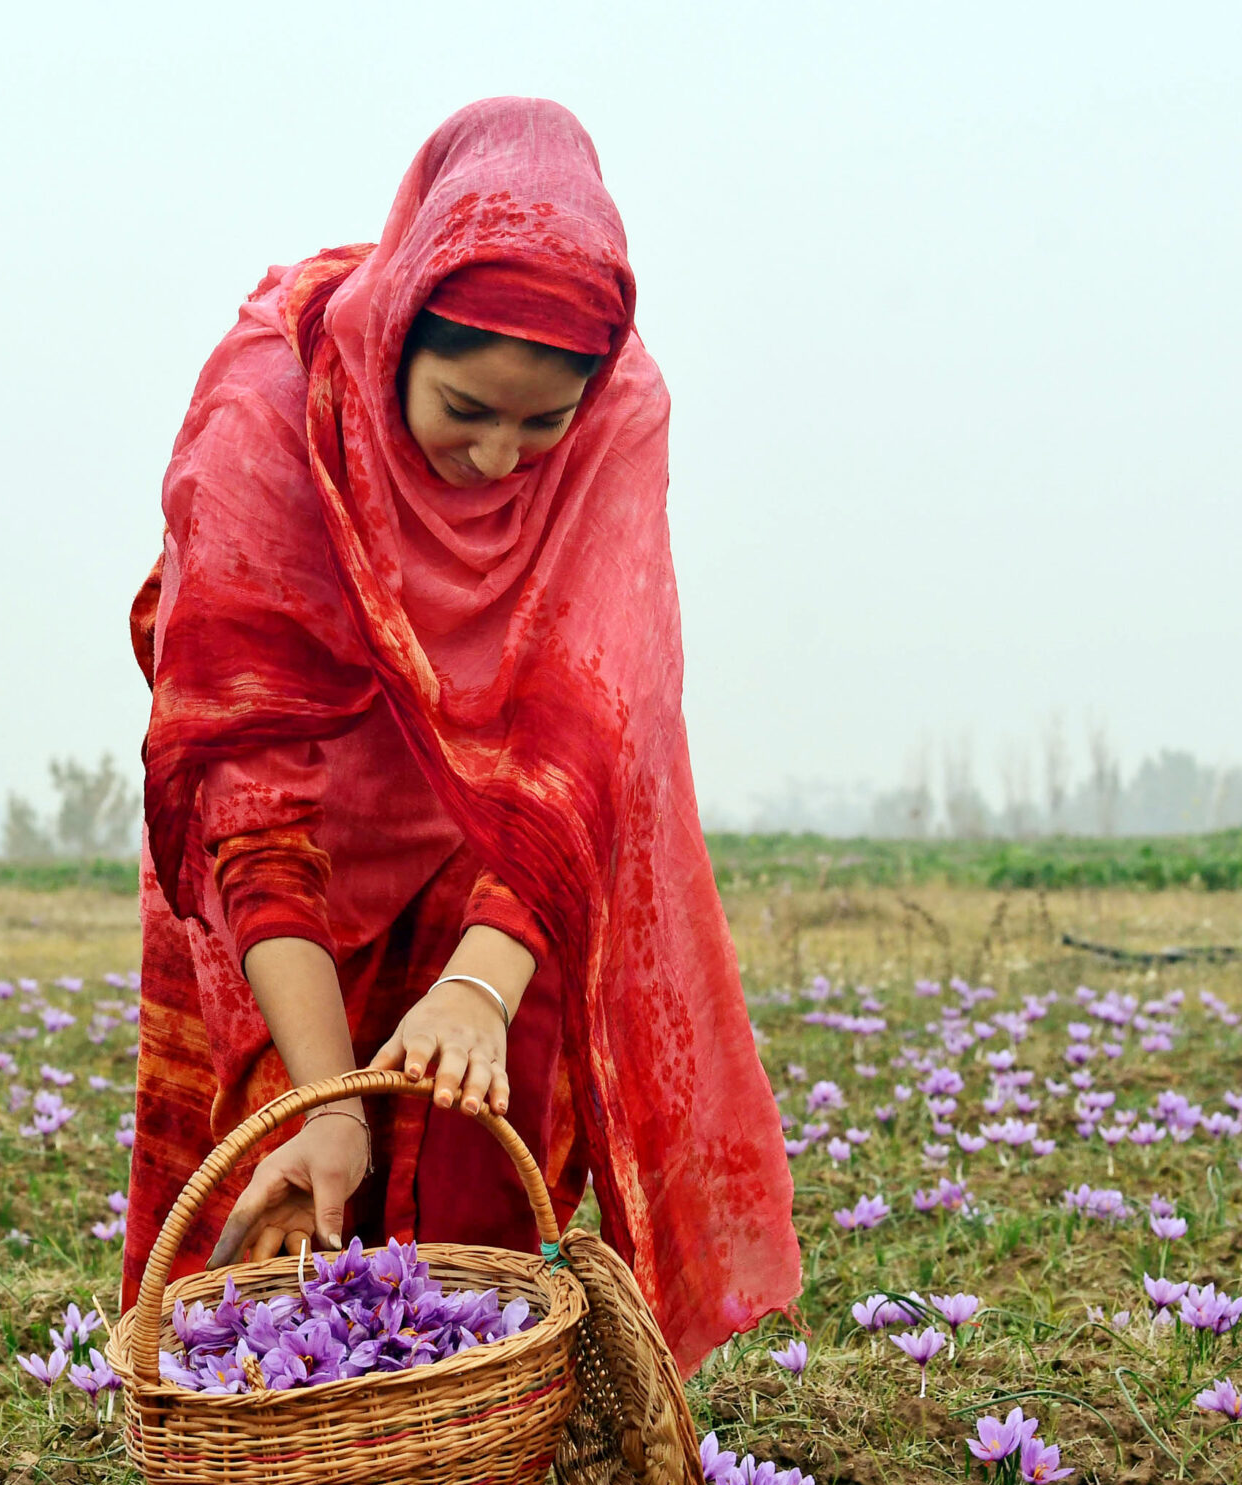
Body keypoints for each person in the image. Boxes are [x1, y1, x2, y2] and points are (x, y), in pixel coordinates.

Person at [124, 98, 799, 1374]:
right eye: (465, 407)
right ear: (397, 342)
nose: (500, 457)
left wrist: (482, 987)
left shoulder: (616, 418)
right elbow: (248, 786)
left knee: (481, 1172)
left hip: (496, 848)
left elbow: (580, 743)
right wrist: (320, 1101)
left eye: (539, 423)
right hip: (295, 838)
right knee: (292, 1186)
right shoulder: (272, 409)